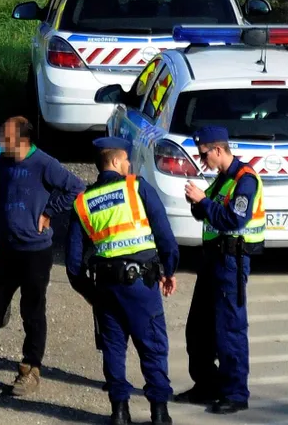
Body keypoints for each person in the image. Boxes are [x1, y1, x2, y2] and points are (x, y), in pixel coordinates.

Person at [0, 116, 85, 397]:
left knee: (32, 311)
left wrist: (49, 212)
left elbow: (76, 187)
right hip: (8, 249)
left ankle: (31, 368)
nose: (0, 142)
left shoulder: (44, 163)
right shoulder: (3, 162)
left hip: (35, 252)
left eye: (5, 137)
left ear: (21, 140)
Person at [66, 137, 179, 425]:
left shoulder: (83, 201)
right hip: (141, 283)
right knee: (152, 346)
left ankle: (119, 412)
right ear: (116, 161)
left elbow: (73, 262)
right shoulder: (136, 187)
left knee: (114, 349)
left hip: (105, 288)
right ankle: (159, 413)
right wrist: (169, 269)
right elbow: (164, 234)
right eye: (127, 160)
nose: (129, 165)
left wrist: (89, 292)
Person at [175, 125, 264, 416]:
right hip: (212, 260)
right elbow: (206, 211)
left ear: (217, 149)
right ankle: (206, 385)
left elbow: (233, 220)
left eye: (203, 155)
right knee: (198, 328)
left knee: (230, 329)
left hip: (231, 262)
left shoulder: (245, 180)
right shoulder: (222, 180)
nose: (202, 161)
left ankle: (236, 392)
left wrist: (203, 201)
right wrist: (198, 202)